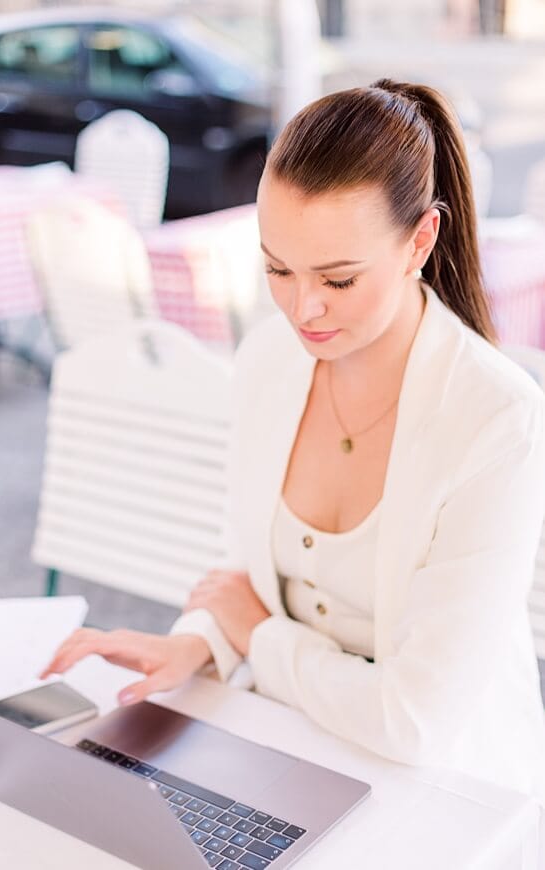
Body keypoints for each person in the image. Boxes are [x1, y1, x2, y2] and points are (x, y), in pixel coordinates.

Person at [42, 78, 545, 803]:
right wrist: (199, 643)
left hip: (450, 792)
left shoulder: (497, 419)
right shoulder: (269, 360)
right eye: (277, 267)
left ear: (420, 241)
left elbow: (416, 724)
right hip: (292, 749)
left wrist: (261, 640)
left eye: (338, 279)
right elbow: (248, 571)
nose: (303, 308)